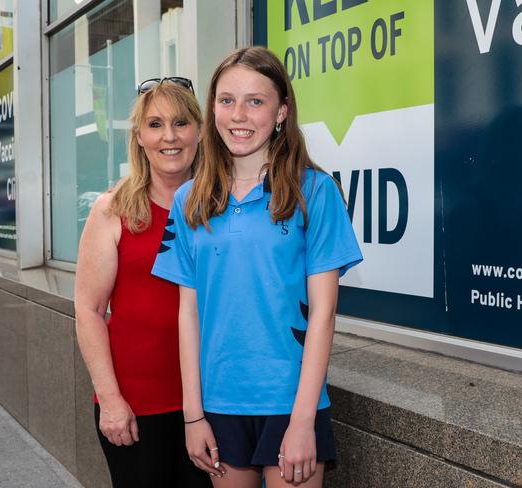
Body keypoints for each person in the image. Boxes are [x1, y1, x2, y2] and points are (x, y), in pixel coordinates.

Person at [151, 47, 363, 487]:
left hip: (292, 402)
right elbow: (187, 313)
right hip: (220, 403)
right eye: (227, 100)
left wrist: (304, 420)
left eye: (256, 100)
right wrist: (193, 417)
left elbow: (323, 314)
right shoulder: (188, 200)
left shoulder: (315, 192)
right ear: (212, 109)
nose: (238, 114)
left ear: (282, 110)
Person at [75, 78, 212, 487]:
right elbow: (88, 309)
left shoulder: (221, 207)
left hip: (210, 404)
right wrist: (111, 400)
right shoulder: (112, 209)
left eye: (181, 122)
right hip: (136, 406)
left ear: (200, 131)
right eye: (155, 125)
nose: (169, 136)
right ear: (138, 137)